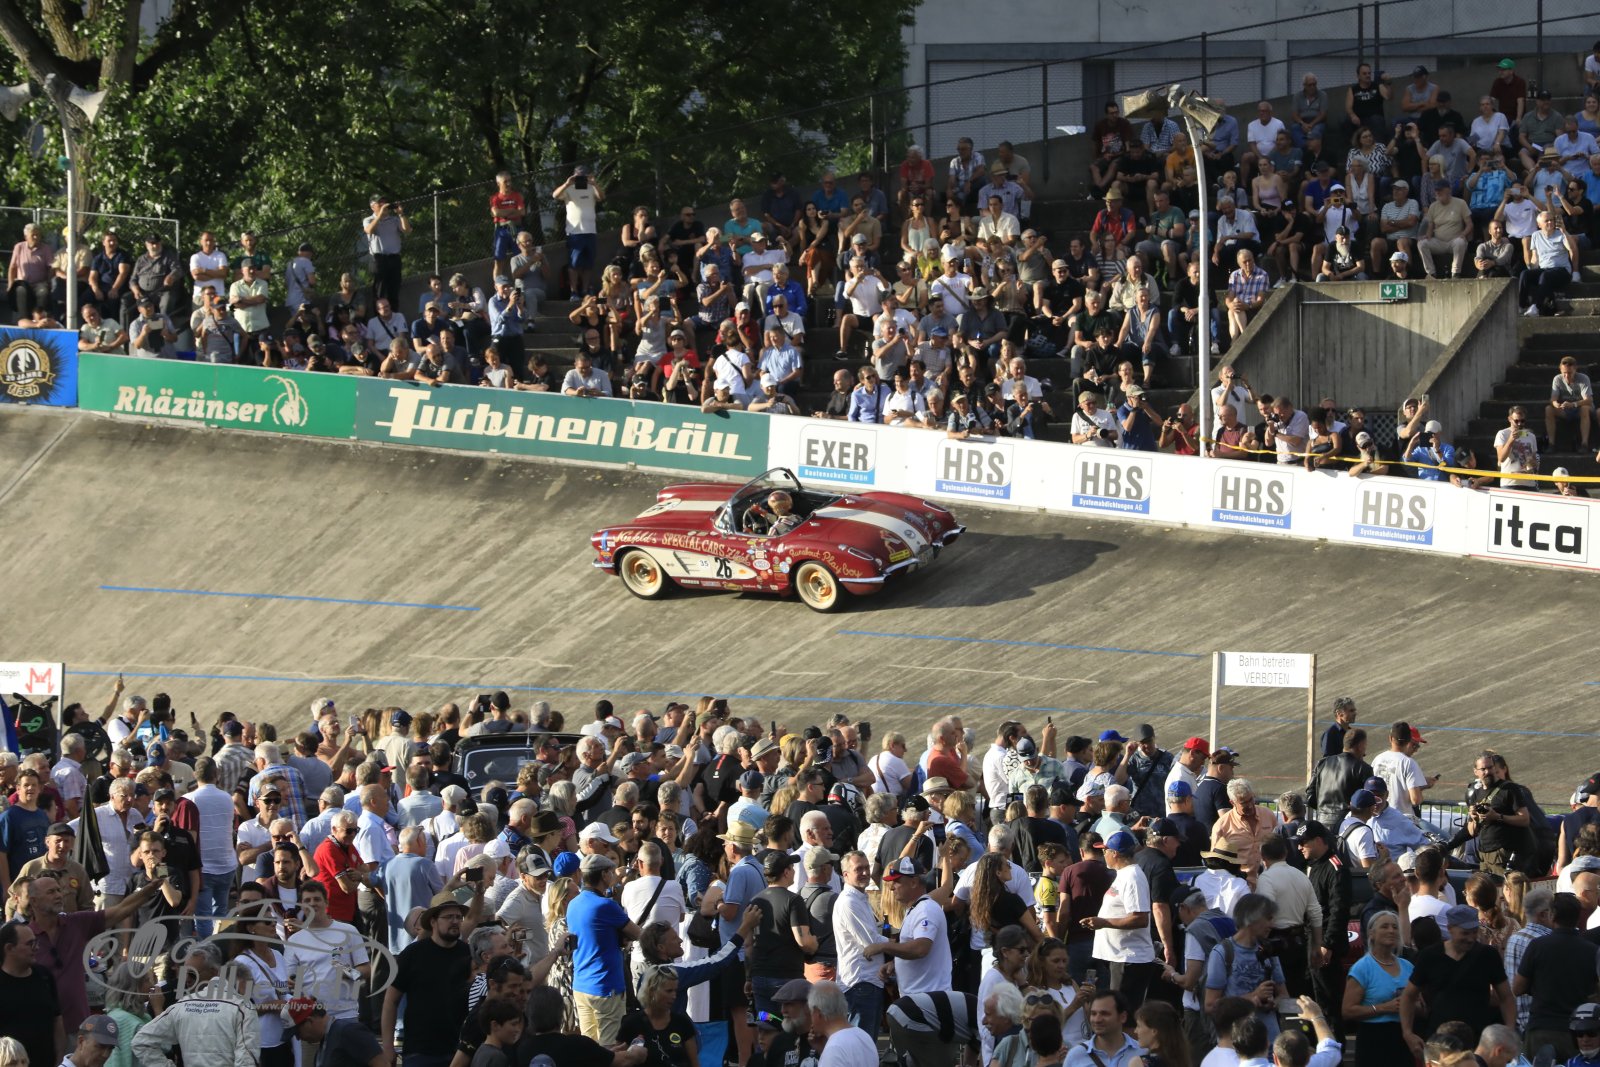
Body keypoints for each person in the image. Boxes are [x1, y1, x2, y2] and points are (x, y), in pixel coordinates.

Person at [1400, 905, 1515, 1057]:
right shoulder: (1430, 956)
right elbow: (1408, 996)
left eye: (1474, 932)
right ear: (1450, 929)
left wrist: (1509, 1030)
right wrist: (1407, 1033)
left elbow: (1506, 996)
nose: (1471, 938)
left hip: (1478, 1043)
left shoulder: (1488, 955)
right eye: (1465, 933)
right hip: (1440, 1043)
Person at [382, 890, 477, 1067]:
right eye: (448, 917)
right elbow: (391, 1001)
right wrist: (388, 1046)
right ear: (433, 921)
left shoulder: (467, 954)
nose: (455, 921)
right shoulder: (413, 954)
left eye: (458, 917)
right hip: (420, 1051)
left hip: (459, 1050)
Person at [130, 942, 259, 1067]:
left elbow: (141, 1041)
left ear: (214, 972)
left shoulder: (182, 1005)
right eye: (184, 973)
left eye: (192, 974)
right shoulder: (242, 1008)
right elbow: (247, 1060)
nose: (186, 979)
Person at [1342, 910, 1413, 1067]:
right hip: (1373, 1039)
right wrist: (1384, 1008)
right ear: (1371, 934)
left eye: (1395, 927)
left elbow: (1422, 1007)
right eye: (1385, 926)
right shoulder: (1362, 968)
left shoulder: (1408, 966)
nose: (1391, 930)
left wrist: (1411, 1004)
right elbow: (1347, 1011)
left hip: (1404, 1036)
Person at [618, 965, 697, 1067]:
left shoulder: (682, 1023)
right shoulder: (631, 1024)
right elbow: (619, 1061)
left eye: (675, 991)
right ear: (652, 991)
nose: (674, 996)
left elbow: (695, 1063)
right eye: (669, 991)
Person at [362, 195, 411, 307]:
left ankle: (394, 313)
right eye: (380, 203)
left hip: (394, 258)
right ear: (372, 207)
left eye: (385, 202)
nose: (384, 205)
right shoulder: (368, 220)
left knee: (394, 289)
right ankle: (378, 315)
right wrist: (379, 215)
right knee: (379, 290)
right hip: (379, 259)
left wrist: (401, 214)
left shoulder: (394, 220)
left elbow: (407, 230)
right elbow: (369, 230)